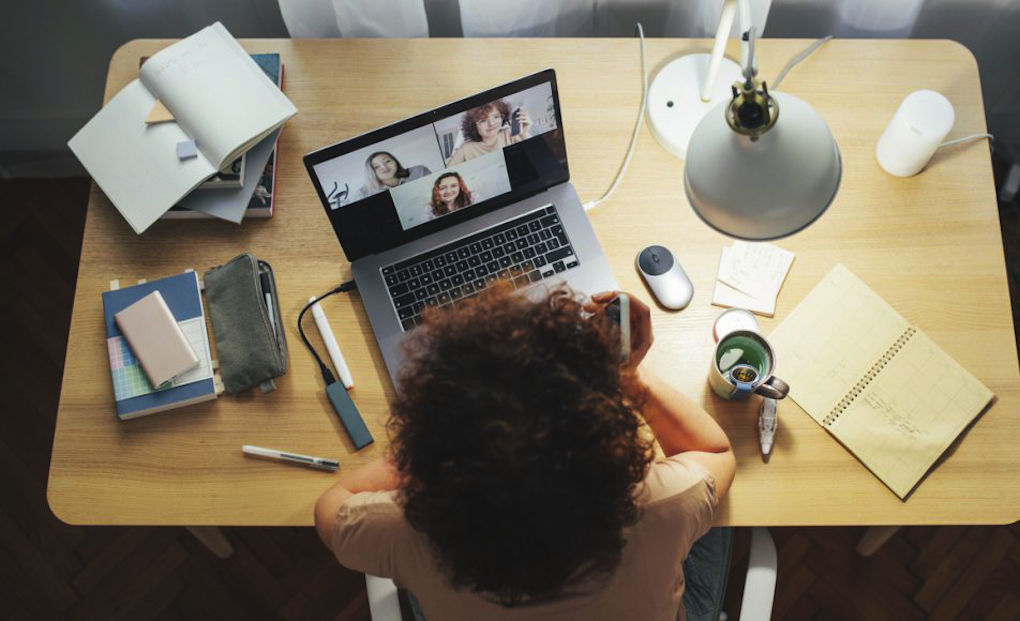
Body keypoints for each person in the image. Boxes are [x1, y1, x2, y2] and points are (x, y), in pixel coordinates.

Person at [315, 284, 736, 621]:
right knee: (723, 517)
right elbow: (715, 450)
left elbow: (331, 507)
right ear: (607, 440)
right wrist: (628, 377)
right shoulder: (662, 504)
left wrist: (430, 443)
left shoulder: (408, 532)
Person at [446, 99, 532, 165]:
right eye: (483, 120)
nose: (491, 123)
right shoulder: (466, 149)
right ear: (473, 125)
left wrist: (524, 134)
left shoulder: (510, 133)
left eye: (496, 116)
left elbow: (536, 157)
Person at [360, 151, 431, 199]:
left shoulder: (419, 171)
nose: (384, 167)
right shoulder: (364, 192)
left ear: (395, 161)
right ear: (371, 172)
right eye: (376, 166)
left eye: (387, 161)